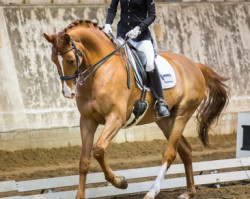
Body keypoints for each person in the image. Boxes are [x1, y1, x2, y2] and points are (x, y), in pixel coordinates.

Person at [103, 0, 170, 118]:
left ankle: (160, 101)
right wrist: (108, 24)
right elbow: (112, 9)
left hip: (141, 37)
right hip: (123, 35)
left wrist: (139, 28)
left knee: (149, 64)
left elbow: (152, 15)